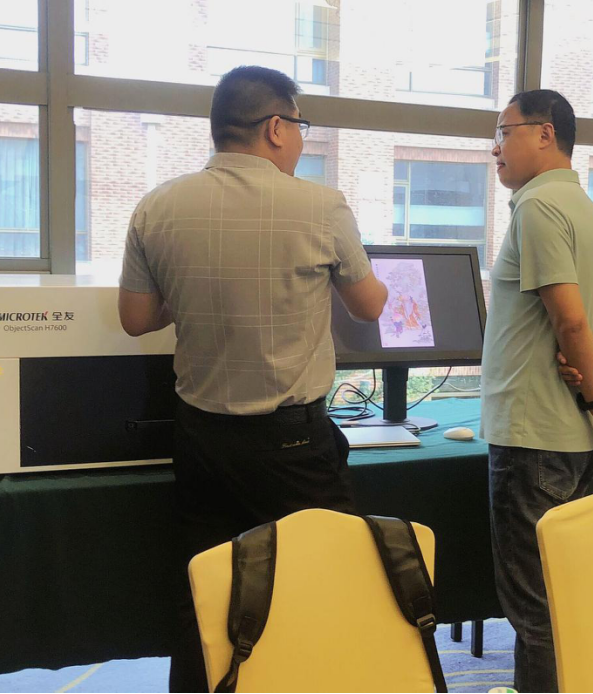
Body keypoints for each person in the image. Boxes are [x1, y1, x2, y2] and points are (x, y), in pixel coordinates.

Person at [117, 65, 388, 693]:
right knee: (319, 585)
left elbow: (135, 319)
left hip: (200, 439)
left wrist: (195, 291)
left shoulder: (157, 206)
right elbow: (370, 306)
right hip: (292, 446)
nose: (300, 139)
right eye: (299, 125)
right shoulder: (320, 205)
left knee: (206, 590)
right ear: (275, 128)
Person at [480, 89, 593, 693]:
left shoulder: (539, 207)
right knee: (558, 597)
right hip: (566, 440)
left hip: (533, 435)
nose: (495, 148)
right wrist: (587, 367)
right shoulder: (585, 209)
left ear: (545, 133)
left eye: (504, 132)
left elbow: (572, 322)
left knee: (534, 612)